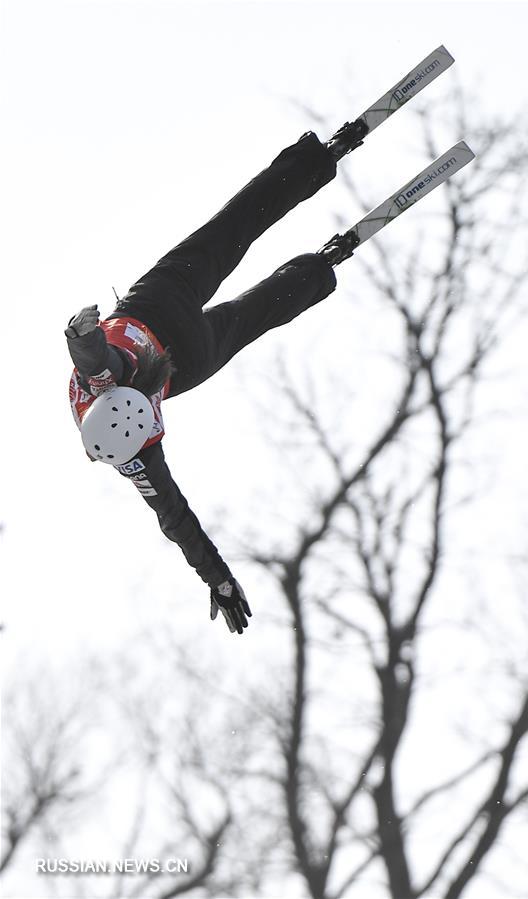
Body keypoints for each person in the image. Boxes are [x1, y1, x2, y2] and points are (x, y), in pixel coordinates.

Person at [66, 121, 368, 635]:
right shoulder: (131, 438)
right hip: (165, 318)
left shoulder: (119, 414)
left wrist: (219, 579)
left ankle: (321, 260)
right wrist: (219, 578)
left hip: (168, 324)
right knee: (233, 231)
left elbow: (175, 518)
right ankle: (316, 206)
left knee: (252, 304)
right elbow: (177, 521)